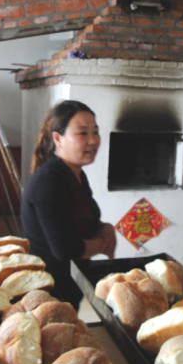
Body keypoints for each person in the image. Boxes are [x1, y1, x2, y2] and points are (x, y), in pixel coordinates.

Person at [21, 100, 116, 310]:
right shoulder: (48, 181)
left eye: (95, 132)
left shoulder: (74, 174)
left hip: (69, 284)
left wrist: (103, 228)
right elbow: (65, 249)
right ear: (57, 138)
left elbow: (81, 221)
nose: (93, 140)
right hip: (47, 292)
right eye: (82, 133)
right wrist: (102, 244)